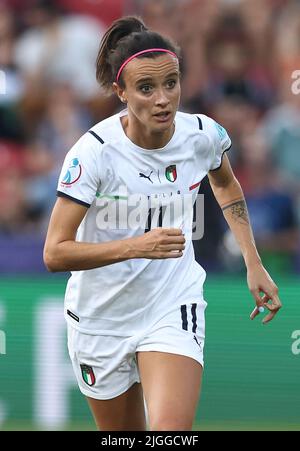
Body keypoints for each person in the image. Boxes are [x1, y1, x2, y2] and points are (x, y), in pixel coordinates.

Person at [43, 16, 282, 431]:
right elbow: (54, 252)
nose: (163, 99)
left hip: (172, 302)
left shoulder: (201, 134)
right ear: (120, 92)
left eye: (171, 83)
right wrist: (136, 246)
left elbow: (226, 185)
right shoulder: (94, 154)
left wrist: (252, 260)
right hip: (101, 317)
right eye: (146, 88)